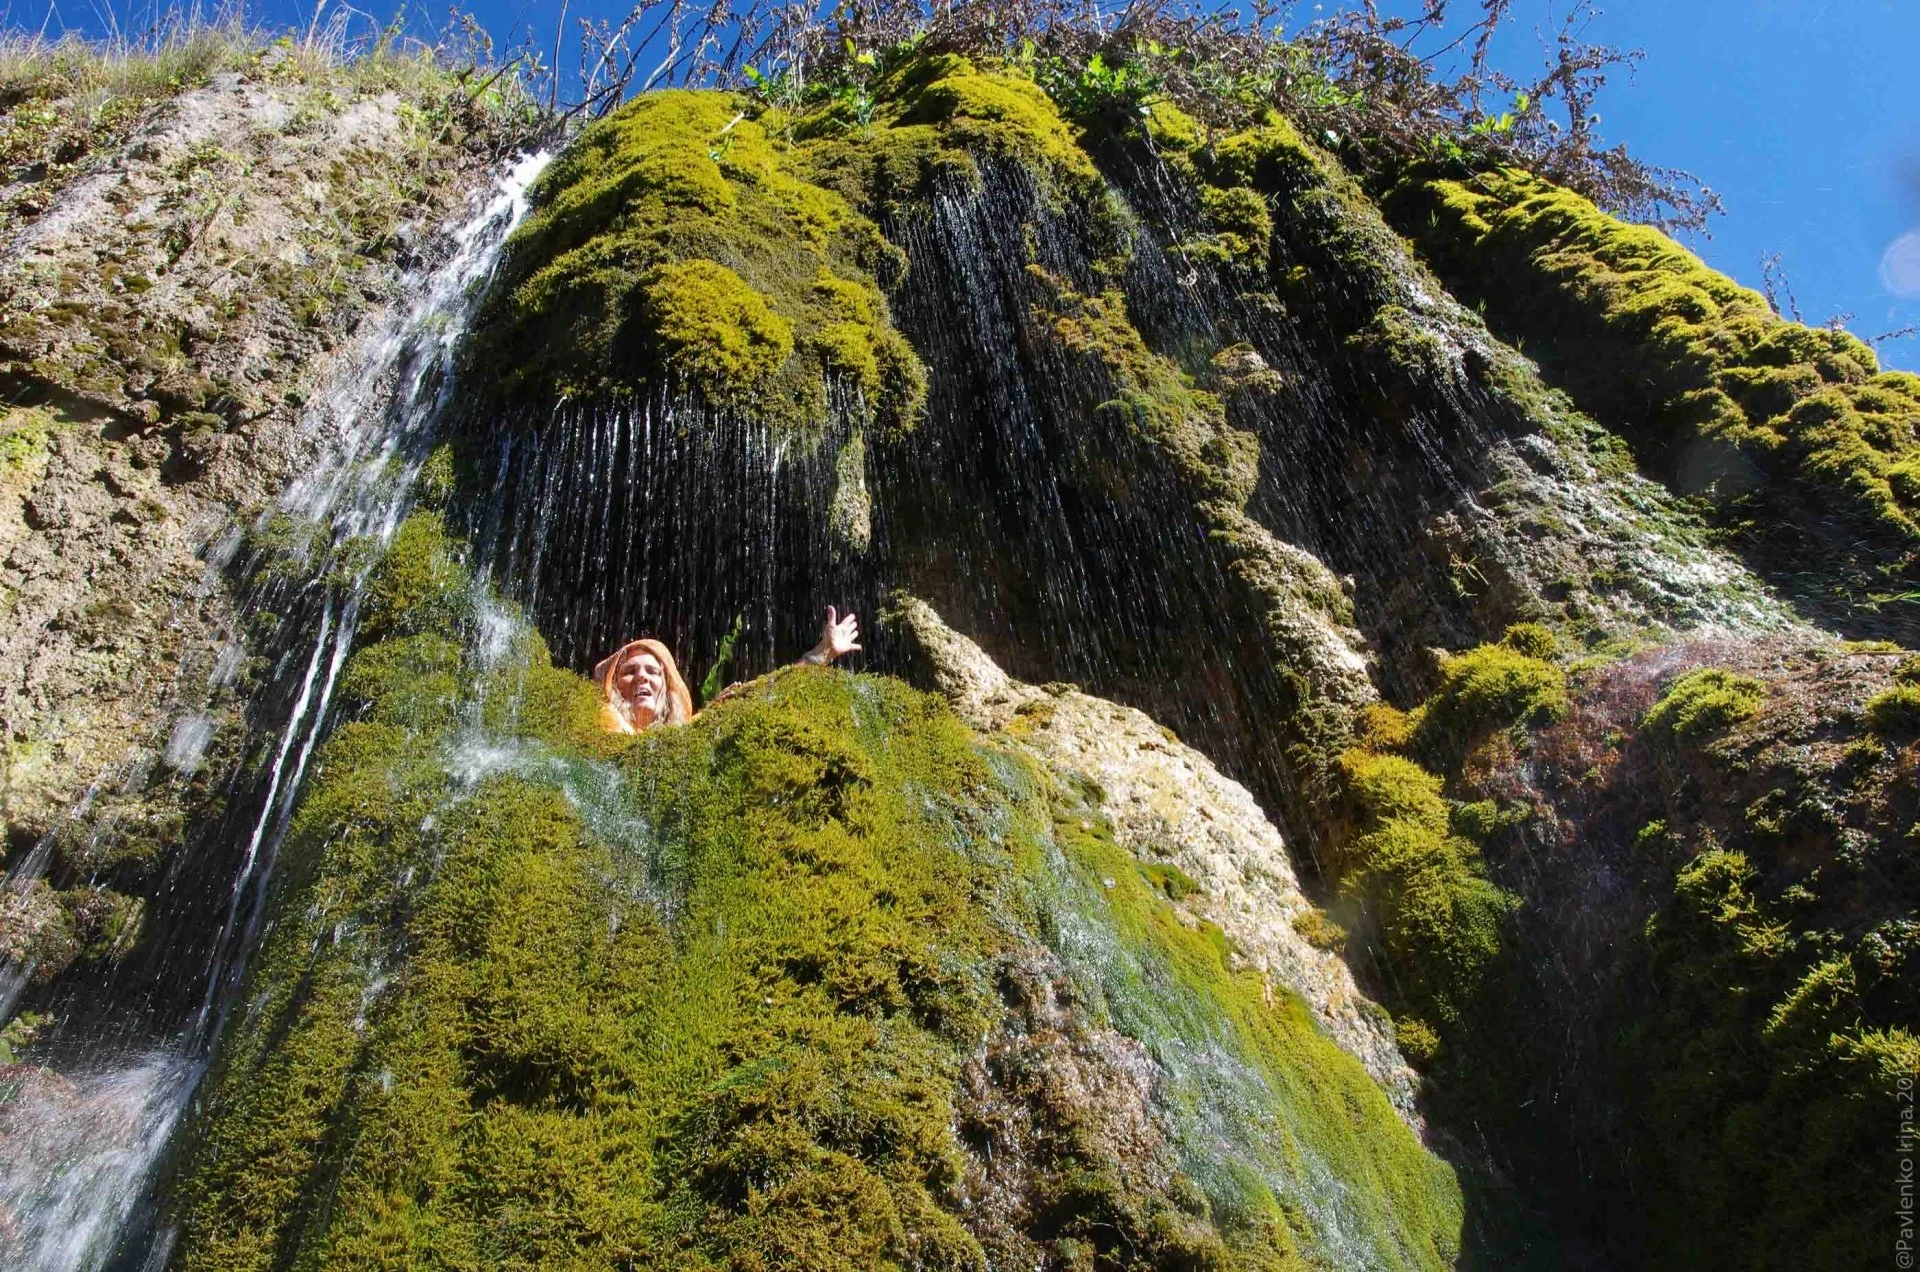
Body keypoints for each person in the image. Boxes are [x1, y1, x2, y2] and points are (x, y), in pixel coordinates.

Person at [595, 606, 863, 734]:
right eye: (630, 671)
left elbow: (758, 696)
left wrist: (822, 653)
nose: (642, 676)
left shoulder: (683, 736)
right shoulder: (600, 722)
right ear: (613, 684)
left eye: (653, 672)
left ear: (667, 690)